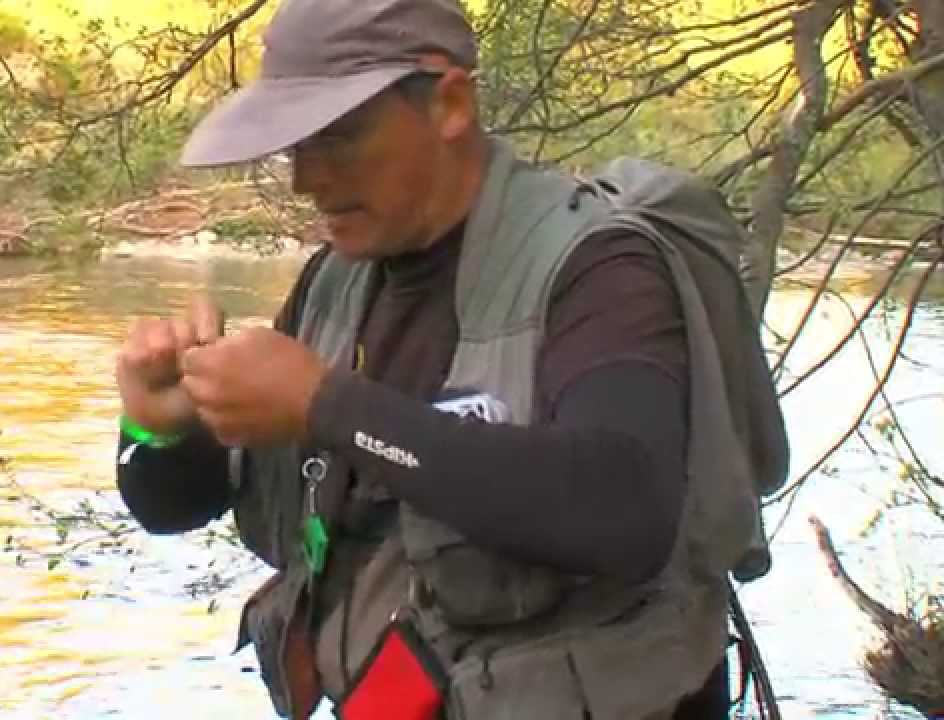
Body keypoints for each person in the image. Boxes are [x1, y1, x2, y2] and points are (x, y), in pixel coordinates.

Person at [112, 0, 790, 718]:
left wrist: (329, 405)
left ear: (451, 105)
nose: (306, 180)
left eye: (337, 137)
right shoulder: (333, 282)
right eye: (294, 148)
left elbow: (623, 510)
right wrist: (160, 429)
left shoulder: (602, 270)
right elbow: (173, 507)